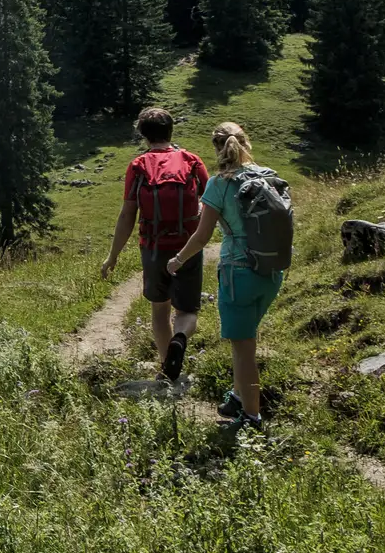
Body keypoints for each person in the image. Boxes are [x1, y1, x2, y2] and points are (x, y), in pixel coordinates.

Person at [168, 121, 282, 433]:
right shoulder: (270, 176)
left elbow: (202, 237)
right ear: (247, 143)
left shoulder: (219, 185)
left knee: (243, 348)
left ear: (218, 149)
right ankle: (236, 395)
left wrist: (178, 259)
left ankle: (251, 417)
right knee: (247, 337)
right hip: (272, 271)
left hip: (238, 273)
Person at [99, 106, 208, 383]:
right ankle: (180, 339)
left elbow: (127, 215)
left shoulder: (138, 166)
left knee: (160, 310)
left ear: (144, 136)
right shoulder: (192, 161)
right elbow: (214, 204)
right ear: (171, 130)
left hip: (153, 246)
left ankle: (167, 369)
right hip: (189, 246)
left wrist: (113, 256)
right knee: (187, 311)